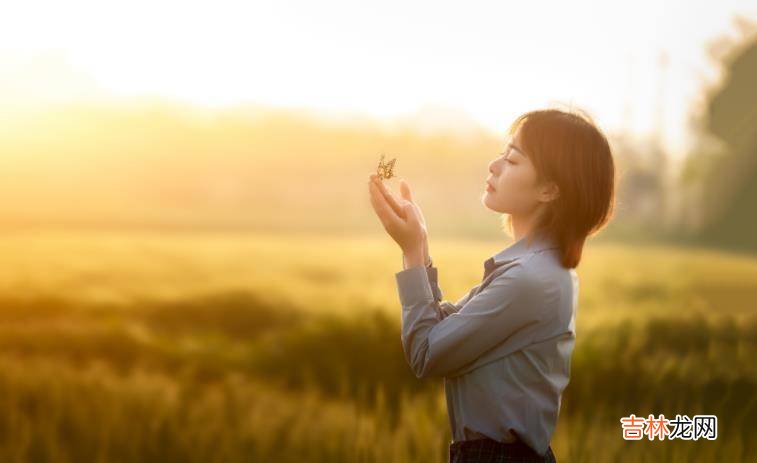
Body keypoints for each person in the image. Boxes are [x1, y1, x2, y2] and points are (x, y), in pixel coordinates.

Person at [367, 108, 616, 462]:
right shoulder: (532, 270)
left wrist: (410, 252)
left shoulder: (530, 280)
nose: (494, 166)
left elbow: (426, 353)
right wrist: (419, 247)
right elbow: (441, 329)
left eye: (512, 160)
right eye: (503, 154)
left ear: (549, 189)